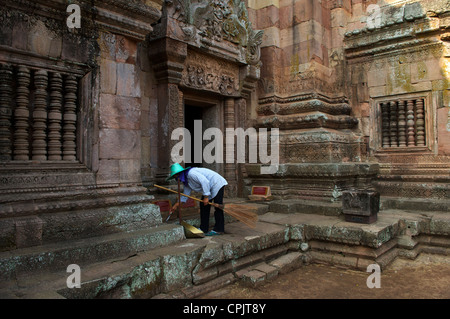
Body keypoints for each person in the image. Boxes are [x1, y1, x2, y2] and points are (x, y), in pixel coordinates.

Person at [167, 163, 228, 236]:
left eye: (175, 176)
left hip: (217, 183)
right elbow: (185, 195)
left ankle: (219, 229)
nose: (176, 178)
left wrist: (206, 197)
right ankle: (204, 229)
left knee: (218, 206)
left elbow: (205, 181)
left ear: (179, 173)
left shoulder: (191, 174)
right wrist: (176, 205)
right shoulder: (186, 180)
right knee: (203, 205)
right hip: (209, 187)